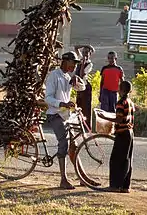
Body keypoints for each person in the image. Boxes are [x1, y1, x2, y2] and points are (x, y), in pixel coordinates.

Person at [45, 51, 86, 189]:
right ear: (65, 61)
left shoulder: (67, 76)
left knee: (74, 145)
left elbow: (82, 88)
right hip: (54, 114)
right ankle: (63, 179)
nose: (74, 66)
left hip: (65, 115)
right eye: (73, 63)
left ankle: (82, 177)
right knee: (64, 143)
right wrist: (63, 104)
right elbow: (48, 98)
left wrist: (77, 80)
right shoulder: (54, 76)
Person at [97, 80, 135, 193]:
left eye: (119, 88)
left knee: (116, 160)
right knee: (126, 160)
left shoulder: (120, 102)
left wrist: (104, 117)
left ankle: (114, 185)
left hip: (122, 133)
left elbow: (119, 119)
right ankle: (125, 186)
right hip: (130, 133)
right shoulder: (130, 102)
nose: (117, 89)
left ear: (121, 90)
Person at [74, 45, 95, 129]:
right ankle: (79, 124)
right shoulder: (79, 59)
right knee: (79, 104)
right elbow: (76, 47)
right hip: (79, 86)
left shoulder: (89, 64)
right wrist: (87, 46)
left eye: (87, 53)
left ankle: (86, 126)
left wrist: (83, 63)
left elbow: (82, 74)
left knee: (86, 106)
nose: (85, 54)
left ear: (90, 54)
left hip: (85, 86)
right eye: (83, 52)